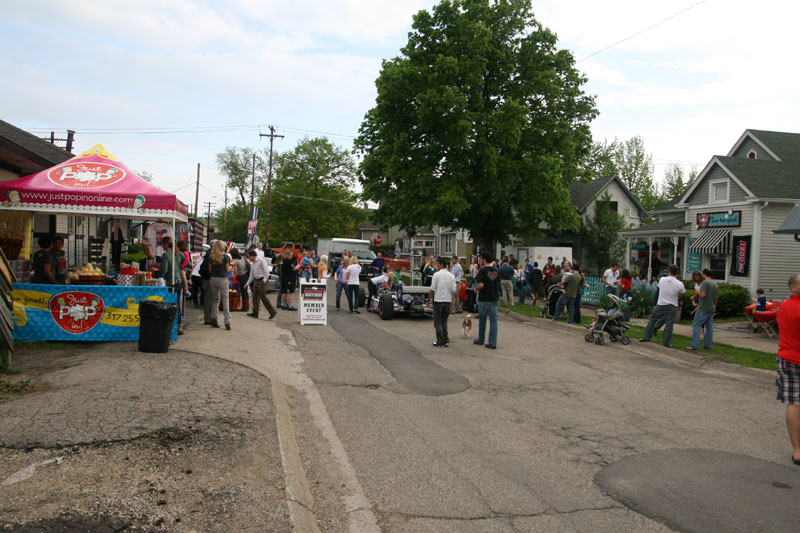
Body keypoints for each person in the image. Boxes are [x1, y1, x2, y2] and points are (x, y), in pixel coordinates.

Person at [776, 274, 800, 466]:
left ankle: (797, 450)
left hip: (786, 358)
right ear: (793, 287)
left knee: (793, 403)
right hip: (795, 357)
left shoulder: (783, 307)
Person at [640, 264, 685, 347]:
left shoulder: (662, 279)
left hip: (661, 303)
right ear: (677, 272)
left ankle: (646, 336)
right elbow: (681, 294)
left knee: (653, 319)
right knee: (669, 323)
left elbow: (659, 289)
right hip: (672, 304)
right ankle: (666, 343)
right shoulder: (680, 284)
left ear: (668, 270)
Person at [473, 252, 500, 349]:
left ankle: (481, 339)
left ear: (484, 259)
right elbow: (498, 282)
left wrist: (476, 289)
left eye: (481, 259)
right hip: (494, 298)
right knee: (493, 321)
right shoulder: (496, 270)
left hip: (484, 298)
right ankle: (492, 342)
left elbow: (481, 285)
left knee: (482, 320)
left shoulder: (482, 271)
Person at [688, 268, 718, 350]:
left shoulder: (705, 283)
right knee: (709, 327)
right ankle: (708, 345)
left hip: (703, 307)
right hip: (711, 307)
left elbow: (703, 295)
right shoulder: (715, 284)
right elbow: (716, 298)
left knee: (696, 324)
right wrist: (714, 306)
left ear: (704, 274)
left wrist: (697, 292)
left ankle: (694, 345)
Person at [429, 257, 457, 347]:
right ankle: (445, 339)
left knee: (438, 322)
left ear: (441, 265)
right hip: (447, 301)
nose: (437, 266)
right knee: (444, 321)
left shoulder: (436, 275)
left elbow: (432, 289)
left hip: (438, 300)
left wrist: (428, 299)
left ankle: (440, 341)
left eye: (437, 264)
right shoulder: (451, 276)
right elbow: (454, 289)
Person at [245, 249, 277, 320]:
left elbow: (266, 270)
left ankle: (272, 311)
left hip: (262, 280)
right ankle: (255, 312)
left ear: (253, 256)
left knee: (263, 297)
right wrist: (247, 283)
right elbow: (251, 275)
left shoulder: (261, 260)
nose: (249, 258)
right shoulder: (252, 263)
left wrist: (264, 280)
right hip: (256, 281)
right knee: (255, 297)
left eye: (249, 256)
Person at [208, 240, 232, 330]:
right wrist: (231, 265)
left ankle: (213, 319)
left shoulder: (212, 257)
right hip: (222, 279)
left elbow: (210, 271)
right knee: (225, 300)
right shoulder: (225, 257)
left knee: (216, 300)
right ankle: (227, 321)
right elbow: (227, 270)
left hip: (213, 279)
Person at [230, 248, 249, 313]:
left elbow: (235, 271)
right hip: (246, 275)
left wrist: (234, 277)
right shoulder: (243, 258)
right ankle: (246, 306)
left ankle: (244, 307)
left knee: (242, 292)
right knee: (245, 291)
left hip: (240, 276)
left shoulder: (235, 261)